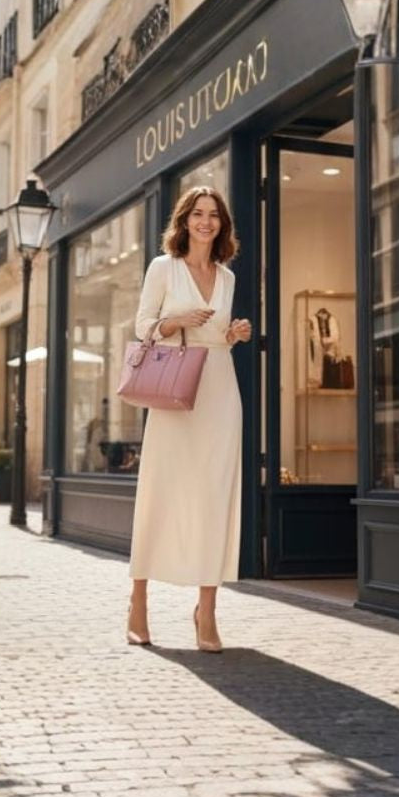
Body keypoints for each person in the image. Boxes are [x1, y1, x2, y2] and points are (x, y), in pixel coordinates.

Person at [127, 186, 252, 652]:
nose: (205, 222)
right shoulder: (164, 268)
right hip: (176, 390)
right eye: (197, 214)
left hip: (220, 387)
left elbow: (218, 335)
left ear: (221, 224)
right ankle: (138, 602)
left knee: (215, 497)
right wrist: (174, 320)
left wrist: (234, 333)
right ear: (184, 221)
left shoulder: (227, 276)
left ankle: (207, 611)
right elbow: (143, 327)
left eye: (213, 215)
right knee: (160, 491)